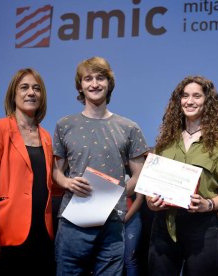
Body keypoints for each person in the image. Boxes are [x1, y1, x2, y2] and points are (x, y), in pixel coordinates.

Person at [53, 56, 148, 275]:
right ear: (80, 86)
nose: (94, 84)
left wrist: (115, 195)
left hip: (112, 221)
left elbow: (139, 175)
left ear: (109, 83)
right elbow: (56, 171)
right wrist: (67, 182)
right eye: (88, 79)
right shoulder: (64, 125)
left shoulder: (129, 127)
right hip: (73, 220)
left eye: (100, 78)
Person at [146, 75, 218, 275]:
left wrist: (209, 204)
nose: (189, 101)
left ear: (207, 102)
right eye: (185, 96)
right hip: (163, 226)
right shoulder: (164, 142)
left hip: (203, 228)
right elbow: (150, 186)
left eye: (196, 96)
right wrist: (150, 202)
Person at [0, 68, 56, 275]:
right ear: (13, 94)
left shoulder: (45, 136)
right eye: (25, 87)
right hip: (4, 233)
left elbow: (47, 183)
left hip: (41, 233)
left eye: (37, 89)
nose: (31, 92)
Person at [124, 173, 144, 276]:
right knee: (110, 258)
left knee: (130, 259)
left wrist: (124, 219)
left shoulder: (135, 171)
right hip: (110, 219)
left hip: (131, 219)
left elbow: (139, 199)